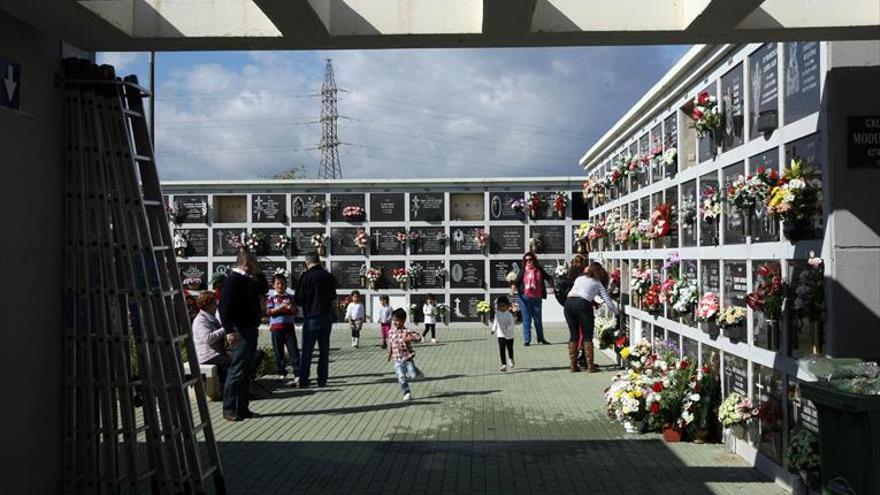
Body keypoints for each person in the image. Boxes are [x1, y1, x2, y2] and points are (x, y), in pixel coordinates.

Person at [218, 251, 269, 421]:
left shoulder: (248, 279)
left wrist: (259, 272)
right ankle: (229, 408)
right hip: (240, 329)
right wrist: (229, 330)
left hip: (250, 328)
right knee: (237, 370)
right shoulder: (233, 280)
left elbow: (264, 289)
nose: (257, 265)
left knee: (246, 370)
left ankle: (243, 407)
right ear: (247, 263)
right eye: (255, 263)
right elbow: (225, 306)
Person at [564, 262, 619, 372]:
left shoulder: (580, 278)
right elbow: (607, 299)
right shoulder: (597, 282)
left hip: (569, 303)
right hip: (583, 305)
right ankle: (590, 366)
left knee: (573, 335)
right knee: (587, 335)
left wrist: (592, 301)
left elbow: (579, 292)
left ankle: (573, 365)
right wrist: (616, 312)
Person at [293, 254, 338, 388]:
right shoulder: (328, 276)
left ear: (307, 263)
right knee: (324, 350)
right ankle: (322, 380)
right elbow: (333, 296)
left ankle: (304, 380)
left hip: (312, 317)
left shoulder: (306, 277)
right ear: (319, 261)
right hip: (326, 317)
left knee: (307, 351)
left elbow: (298, 298)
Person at [511, 252, 551, 346]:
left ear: (534, 260)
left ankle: (541, 339)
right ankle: (527, 340)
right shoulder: (523, 270)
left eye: (530, 259)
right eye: (526, 260)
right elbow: (517, 281)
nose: (528, 261)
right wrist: (513, 287)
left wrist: (554, 286)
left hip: (536, 298)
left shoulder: (539, 270)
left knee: (538, 320)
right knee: (526, 319)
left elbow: (548, 277)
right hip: (524, 298)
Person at [266, 273, 301, 384]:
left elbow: (295, 311)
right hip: (276, 328)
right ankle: (282, 373)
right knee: (278, 352)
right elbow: (270, 312)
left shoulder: (290, 297)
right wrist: (281, 307)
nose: (280, 286)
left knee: (293, 351)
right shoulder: (271, 298)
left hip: (289, 327)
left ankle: (297, 373)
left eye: (282, 283)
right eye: (278, 283)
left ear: (285, 284)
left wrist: (289, 308)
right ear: (273, 285)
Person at [192, 291, 230, 385]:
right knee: (230, 364)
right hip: (207, 356)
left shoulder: (211, 317)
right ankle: (227, 389)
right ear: (207, 305)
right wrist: (224, 329)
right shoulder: (201, 320)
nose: (216, 306)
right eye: (214, 303)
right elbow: (207, 338)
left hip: (216, 352)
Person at [386, 308, 424, 401]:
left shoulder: (407, 331)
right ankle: (407, 392)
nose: (395, 322)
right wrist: (389, 353)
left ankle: (417, 372)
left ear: (403, 320)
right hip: (397, 360)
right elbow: (389, 343)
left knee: (413, 375)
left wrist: (411, 338)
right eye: (393, 320)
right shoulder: (391, 331)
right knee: (401, 377)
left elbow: (419, 337)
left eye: (397, 320)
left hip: (407, 358)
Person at [492, 295, 516, 372]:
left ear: (507, 306)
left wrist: (507, 328)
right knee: (501, 348)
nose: (501, 307)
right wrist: (493, 329)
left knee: (509, 348)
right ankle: (503, 364)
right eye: (499, 306)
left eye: (503, 305)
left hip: (509, 335)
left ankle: (511, 359)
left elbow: (512, 324)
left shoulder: (509, 315)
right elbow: (495, 321)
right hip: (500, 334)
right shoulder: (497, 314)